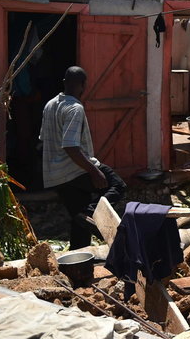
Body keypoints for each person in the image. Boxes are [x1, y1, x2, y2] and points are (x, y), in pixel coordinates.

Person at [40, 66, 126, 249]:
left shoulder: (49, 105)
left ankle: (78, 267)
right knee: (117, 185)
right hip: (74, 170)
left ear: (64, 82)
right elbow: (70, 146)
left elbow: (43, 140)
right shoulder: (75, 108)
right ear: (83, 85)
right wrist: (94, 171)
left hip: (55, 176)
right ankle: (91, 214)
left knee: (80, 222)